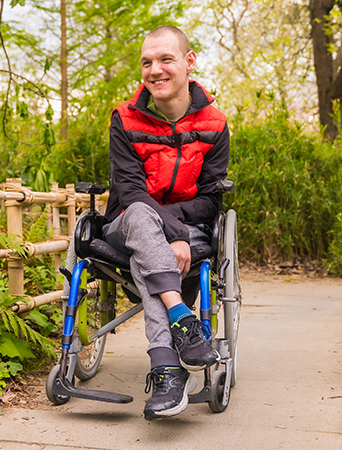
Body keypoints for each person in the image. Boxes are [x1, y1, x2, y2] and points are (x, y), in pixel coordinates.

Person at [101, 25, 230, 420]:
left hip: (183, 231)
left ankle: (167, 369)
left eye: (165, 59)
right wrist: (174, 235)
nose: (154, 70)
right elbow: (131, 192)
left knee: (149, 249)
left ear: (189, 63)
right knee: (141, 213)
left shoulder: (214, 124)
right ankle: (182, 317)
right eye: (147, 62)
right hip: (126, 223)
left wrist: (174, 228)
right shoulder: (124, 119)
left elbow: (210, 199)